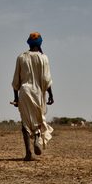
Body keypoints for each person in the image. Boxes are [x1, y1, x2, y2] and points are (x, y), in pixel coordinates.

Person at [12, 32, 54, 161]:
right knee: (38, 120)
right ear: (40, 43)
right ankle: (37, 138)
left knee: (25, 123)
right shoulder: (44, 58)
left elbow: (16, 81)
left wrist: (16, 98)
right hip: (38, 93)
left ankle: (28, 153)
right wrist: (50, 94)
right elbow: (46, 79)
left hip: (24, 92)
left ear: (28, 43)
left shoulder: (21, 57)